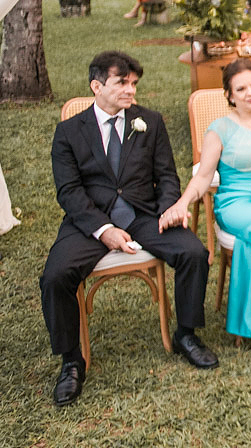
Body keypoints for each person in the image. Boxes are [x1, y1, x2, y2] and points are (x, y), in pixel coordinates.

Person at [40, 51, 216, 407]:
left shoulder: (150, 121)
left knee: (194, 252)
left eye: (134, 83)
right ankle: (71, 360)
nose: (131, 90)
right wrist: (103, 229)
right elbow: (69, 192)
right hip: (91, 220)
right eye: (122, 83)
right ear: (96, 86)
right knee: (55, 275)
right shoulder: (69, 132)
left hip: (144, 215)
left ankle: (186, 334)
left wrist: (169, 208)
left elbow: (166, 175)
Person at [160, 59, 251, 345]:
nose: (250, 92)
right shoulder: (220, 129)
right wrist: (182, 203)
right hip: (237, 202)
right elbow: (203, 177)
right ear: (229, 95)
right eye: (241, 89)